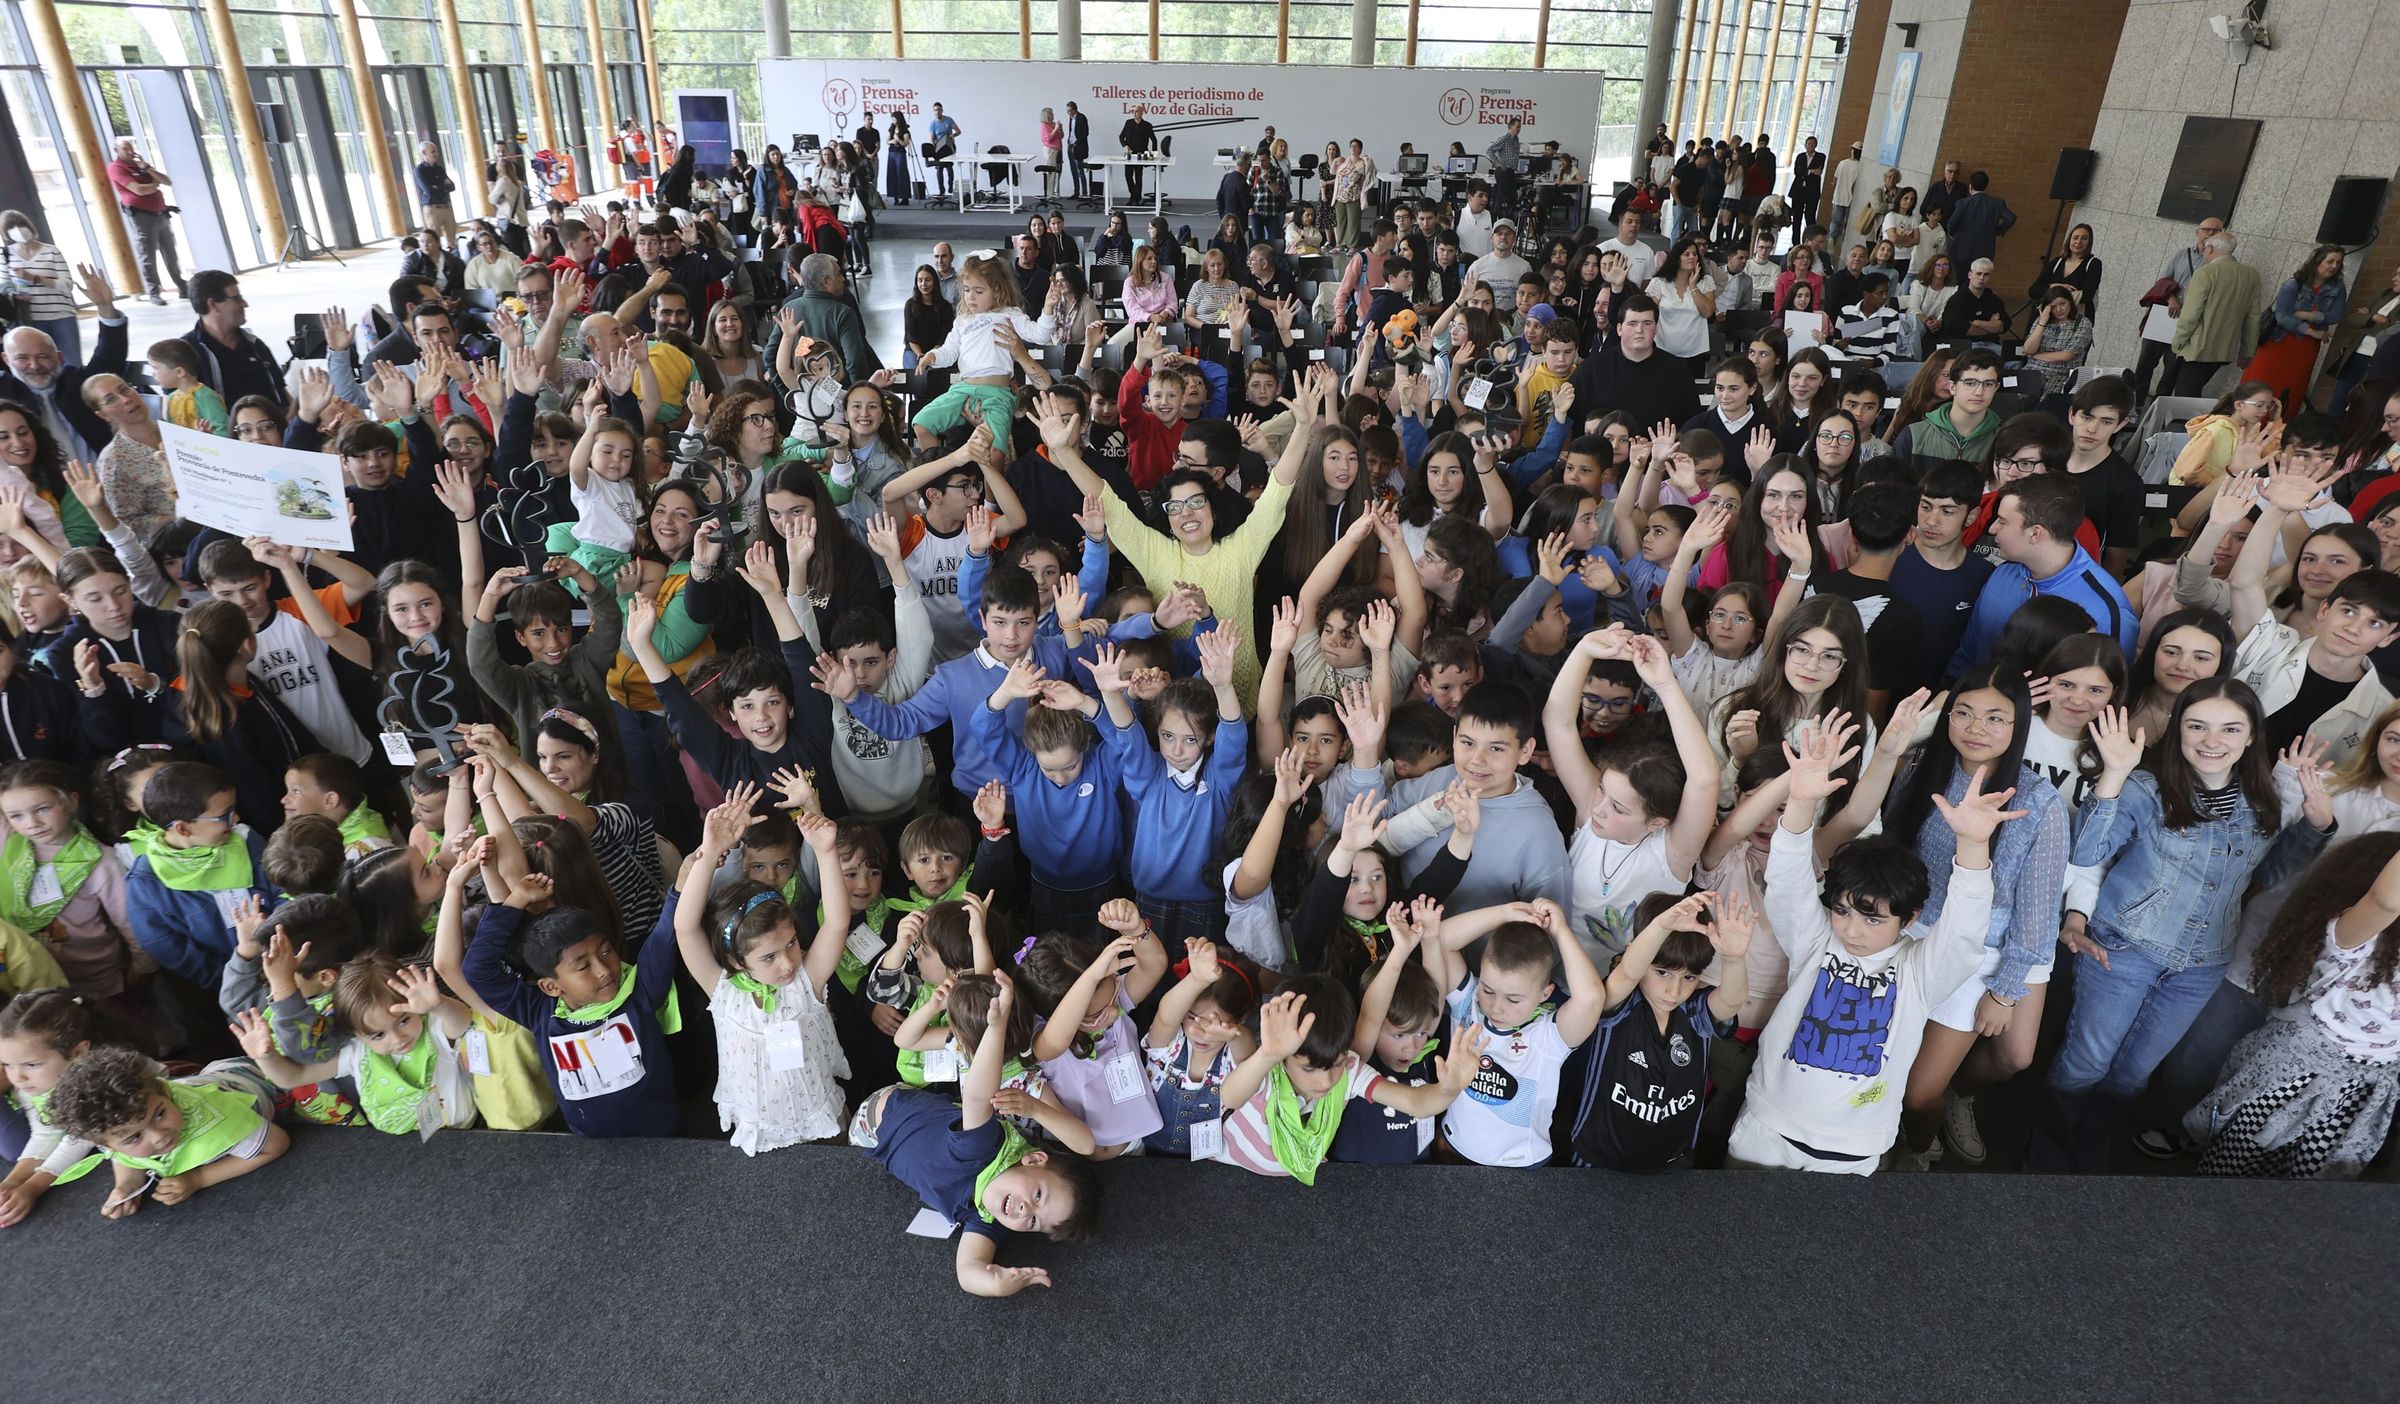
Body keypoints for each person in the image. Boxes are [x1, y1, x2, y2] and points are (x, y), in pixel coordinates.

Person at [1728, 721, 2003, 1174]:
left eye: (1873, 918)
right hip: (1767, 1128)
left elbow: (1965, 929)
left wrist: (1973, 844)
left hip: (1854, 1146)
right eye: (1842, 910)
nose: (1852, 930)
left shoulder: (1920, 969)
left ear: (1910, 919)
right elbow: (1788, 877)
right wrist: (1799, 803)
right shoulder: (1816, 938)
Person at [2245, 244, 2347, 417]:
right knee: (2262, 383)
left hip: (2305, 347)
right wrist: (2312, 331)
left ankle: (2278, 429)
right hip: (2280, 341)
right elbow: (2283, 316)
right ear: (2318, 261)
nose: (2334, 266)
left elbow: (2335, 316)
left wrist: (2306, 315)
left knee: (2293, 387)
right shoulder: (2294, 284)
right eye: (2330, 261)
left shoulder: (2338, 288)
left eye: (2339, 262)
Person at [2172, 231, 2264, 398]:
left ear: (2210, 248)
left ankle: (2189, 425)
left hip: (2198, 348)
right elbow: (2253, 318)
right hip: (2225, 350)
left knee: (2184, 397)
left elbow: (2190, 315)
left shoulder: (2205, 273)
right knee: (2191, 391)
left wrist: (2178, 342)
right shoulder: (2252, 276)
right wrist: (2247, 350)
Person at [103, 138, 184, 306]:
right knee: (148, 255)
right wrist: (155, 185)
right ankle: (154, 291)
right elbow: (138, 190)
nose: (129, 151)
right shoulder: (116, 168)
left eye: (130, 148)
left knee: (170, 252)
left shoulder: (140, 165)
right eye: (125, 148)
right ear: (117, 151)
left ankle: (182, 286)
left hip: (160, 214)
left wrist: (147, 169)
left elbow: (167, 181)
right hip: (141, 216)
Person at [1, 211, 82, 365]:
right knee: (41, 364)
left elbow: (67, 285)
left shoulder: (51, 251)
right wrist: (14, 294)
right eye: (11, 227)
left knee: (71, 362)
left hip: (61, 315)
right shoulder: (6, 254)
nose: (18, 229)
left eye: (21, 224)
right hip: (29, 318)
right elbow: (4, 286)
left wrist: (34, 278)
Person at [1943, 171, 2016, 272]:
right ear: (1986, 185)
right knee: (1978, 280)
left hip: (1960, 249)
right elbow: (2011, 218)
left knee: (1957, 280)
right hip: (1984, 251)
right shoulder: (1997, 203)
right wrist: (1998, 230)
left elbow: (1951, 223)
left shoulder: (1963, 203)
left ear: (1971, 187)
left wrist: (1953, 234)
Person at [414, 141, 458, 246]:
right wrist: (443, 186)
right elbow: (429, 191)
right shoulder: (420, 170)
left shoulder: (439, 169)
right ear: (424, 153)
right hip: (432, 209)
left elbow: (452, 186)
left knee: (452, 240)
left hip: (446, 206)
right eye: (433, 152)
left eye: (436, 152)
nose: (436, 154)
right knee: (434, 241)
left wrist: (437, 187)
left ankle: (452, 259)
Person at [1119, 105, 1158, 204]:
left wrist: (1153, 155)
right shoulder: (1128, 123)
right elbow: (1121, 136)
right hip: (1129, 154)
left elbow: (1154, 140)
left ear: (1142, 112)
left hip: (1141, 155)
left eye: (1137, 111)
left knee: (1138, 176)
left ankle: (1136, 198)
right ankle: (1133, 195)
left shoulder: (1147, 125)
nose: (1134, 113)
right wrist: (1124, 146)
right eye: (1134, 111)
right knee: (1128, 176)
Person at [926, 102, 961, 198]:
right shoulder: (933, 123)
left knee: (949, 167)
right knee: (940, 168)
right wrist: (933, 148)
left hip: (949, 146)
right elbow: (932, 138)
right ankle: (941, 189)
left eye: (939, 110)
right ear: (933, 111)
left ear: (942, 110)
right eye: (935, 110)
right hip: (939, 147)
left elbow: (958, 131)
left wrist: (953, 135)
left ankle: (950, 185)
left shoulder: (948, 120)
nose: (937, 112)